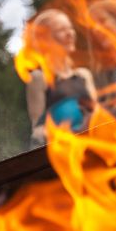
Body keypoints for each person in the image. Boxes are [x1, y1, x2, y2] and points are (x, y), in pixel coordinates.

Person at [26, 9, 97, 147]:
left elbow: (97, 114)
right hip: (63, 148)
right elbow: (37, 128)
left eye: (70, 28)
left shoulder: (83, 75)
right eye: (61, 30)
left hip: (91, 142)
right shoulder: (39, 78)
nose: (70, 33)